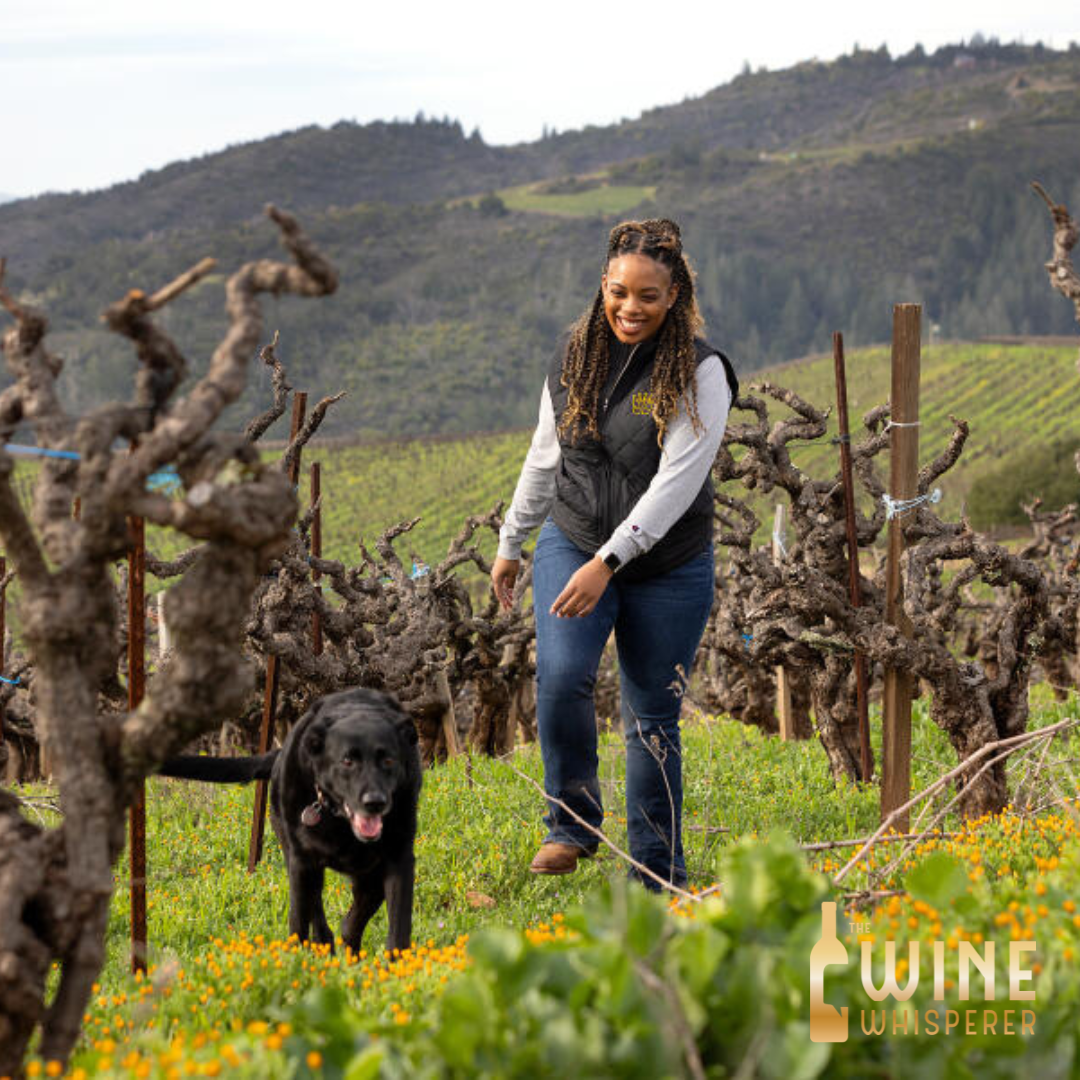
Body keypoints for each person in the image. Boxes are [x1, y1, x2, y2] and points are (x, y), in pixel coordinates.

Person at [491, 218, 739, 890]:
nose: (631, 308)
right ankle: (572, 822)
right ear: (603, 284)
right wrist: (513, 541)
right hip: (570, 538)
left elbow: (677, 483)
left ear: (675, 297)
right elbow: (544, 459)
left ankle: (657, 871)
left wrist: (609, 563)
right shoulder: (572, 358)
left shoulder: (702, 372)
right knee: (562, 678)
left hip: (667, 566)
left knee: (650, 717)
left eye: (649, 297)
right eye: (619, 292)